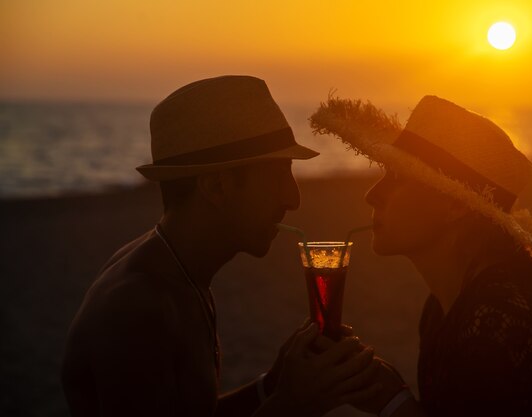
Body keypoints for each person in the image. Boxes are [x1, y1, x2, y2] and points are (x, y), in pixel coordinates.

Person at [61, 75, 382, 417]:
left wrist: (273, 385)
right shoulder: (137, 308)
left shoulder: (178, 274)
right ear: (217, 186)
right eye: (278, 175)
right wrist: (292, 405)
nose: (294, 198)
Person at [310, 95, 532, 416]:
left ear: (456, 205)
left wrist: (392, 403)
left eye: (397, 177)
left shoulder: (496, 327)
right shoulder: (448, 302)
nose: (372, 195)